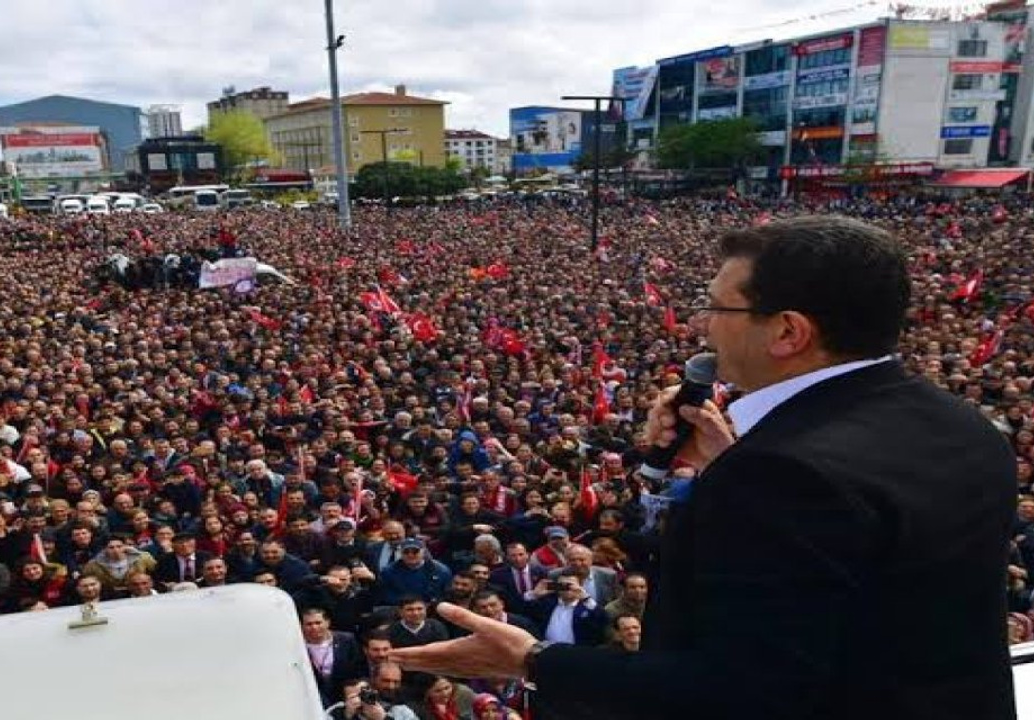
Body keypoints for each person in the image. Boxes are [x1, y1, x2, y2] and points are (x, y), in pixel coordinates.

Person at [390, 217, 1019, 720]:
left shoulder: (782, 476)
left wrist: (533, 659)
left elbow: (740, 691)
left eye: (719, 307)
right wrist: (734, 461)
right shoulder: (963, 426)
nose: (701, 325)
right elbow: (873, 586)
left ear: (788, 331)